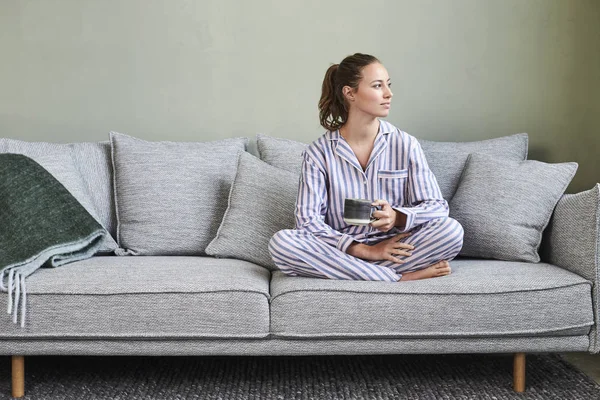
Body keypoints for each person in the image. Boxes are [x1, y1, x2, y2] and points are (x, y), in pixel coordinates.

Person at [268, 53, 464, 282]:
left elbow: (437, 207)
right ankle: (396, 278)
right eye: (377, 86)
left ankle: (359, 274)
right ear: (350, 93)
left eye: (388, 85)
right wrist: (366, 250)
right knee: (282, 243)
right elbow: (307, 222)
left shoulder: (405, 144)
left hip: (396, 246)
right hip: (342, 250)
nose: (389, 94)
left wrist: (397, 217)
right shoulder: (318, 153)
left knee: (451, 231)